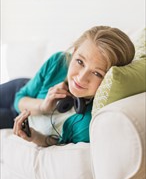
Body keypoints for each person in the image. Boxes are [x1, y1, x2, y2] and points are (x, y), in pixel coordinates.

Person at [2, 26, 136, 147]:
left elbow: (55, 142)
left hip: (17, 121)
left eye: (97, 73)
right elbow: (18, 100)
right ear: (75, 51)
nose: (81, 78)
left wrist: (34, 136)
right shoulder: (58, 62)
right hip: (18, 89)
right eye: (79, 61)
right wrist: (43, 106)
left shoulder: (86, 122)